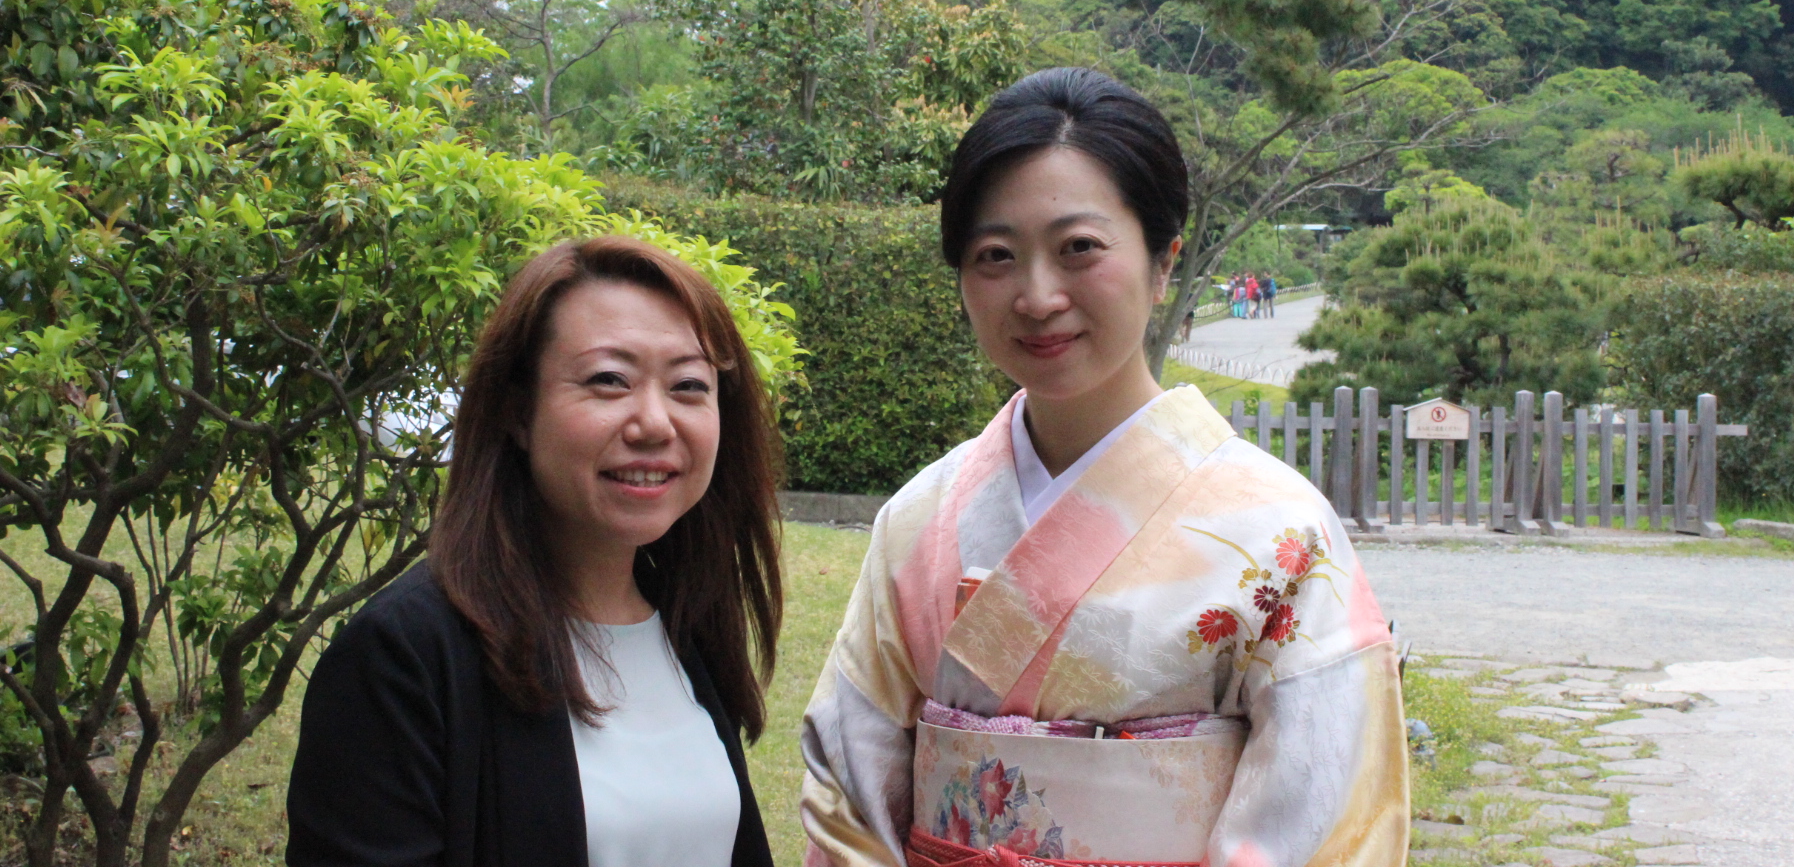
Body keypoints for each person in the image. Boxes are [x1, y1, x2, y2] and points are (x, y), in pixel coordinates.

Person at [799, 68, 1407, 867]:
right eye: (995, 255)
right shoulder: (918, 519)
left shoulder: (1280, 534)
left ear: (1163, 263)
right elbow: (848, 797)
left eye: (1079, 248)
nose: (1037, 295)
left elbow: (1326, 817)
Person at [287, 237, 782, 867]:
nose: (655, 423)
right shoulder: (402, 659)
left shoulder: (688, 629)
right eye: (609, 380)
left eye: (688, 385)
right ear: (518, 412)